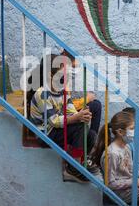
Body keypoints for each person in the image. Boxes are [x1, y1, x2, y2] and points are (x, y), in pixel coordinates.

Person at [29, 54, 97, 183]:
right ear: (50, 75)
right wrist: (76, 118)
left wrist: (82, 115)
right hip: (45, 134)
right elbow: (54, 121)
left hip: (57, 130)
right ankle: (73, 169)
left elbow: (71, 111)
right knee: (79, 127)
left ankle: (81, 161)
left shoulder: (62, 92)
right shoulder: (42, 93)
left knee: (91, 133)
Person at [90, 111, 139, 204]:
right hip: (120, 194)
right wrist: (135, 182)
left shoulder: (126, 147)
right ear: (120, 132)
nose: (136, 131)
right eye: (132, 128)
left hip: (130, 186)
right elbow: (110, 184)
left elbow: (129, 173)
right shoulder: (112, 154)